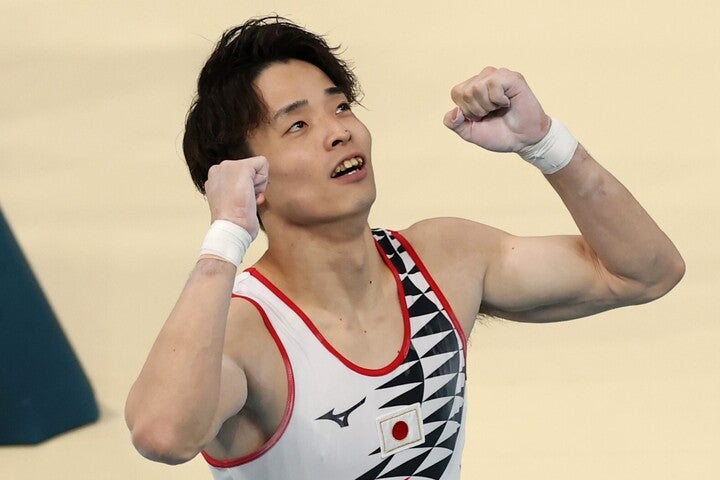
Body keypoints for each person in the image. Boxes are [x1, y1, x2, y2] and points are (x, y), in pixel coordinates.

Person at [124, 15, 685, 480]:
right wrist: (225, 237)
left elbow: (645, 272)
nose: (339, 131)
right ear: (249, 174)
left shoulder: (445, 259)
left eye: (340, 106)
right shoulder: (248, 328)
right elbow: (163, 434)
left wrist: (544, 142)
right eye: (297, 126)